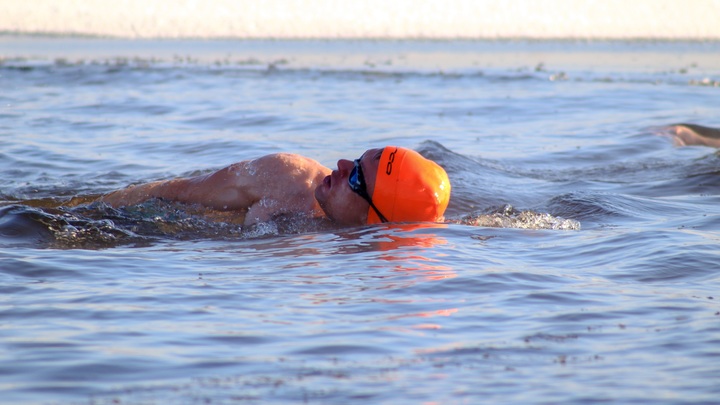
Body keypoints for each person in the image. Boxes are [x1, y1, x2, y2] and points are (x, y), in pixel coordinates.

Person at [99, 146, 451, 228]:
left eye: (356, 177)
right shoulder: (287, 178)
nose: (342, 166)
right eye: (356, 160)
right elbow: (174, 193)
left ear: (372, 221)